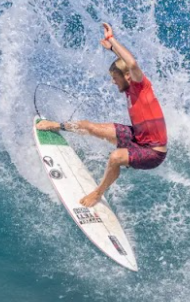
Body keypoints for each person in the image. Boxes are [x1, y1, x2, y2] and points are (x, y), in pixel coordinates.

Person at [37, 23, 167, 207]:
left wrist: (112, 40)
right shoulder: (129, 89)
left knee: (115, 157)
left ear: (127, 76)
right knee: (88, 126)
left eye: (115, 78)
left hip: (153, 152)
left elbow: (131, 64)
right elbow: (125, 65)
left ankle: (97, 194)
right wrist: (112, 50)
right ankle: (57, 125)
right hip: (138, 138)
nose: (113, 82)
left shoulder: (141, 87)